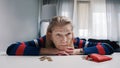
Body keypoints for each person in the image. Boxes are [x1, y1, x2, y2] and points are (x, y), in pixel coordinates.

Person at [6, 16, 116, 56]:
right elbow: (12, 48)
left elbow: (108, 48)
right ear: (50, 35)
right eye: (58, 35)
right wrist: (50, 51)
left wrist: (77, 51)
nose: (64, 40)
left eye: (68, 34)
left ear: (72, 33)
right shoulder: (42, 41)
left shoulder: (77, 42)